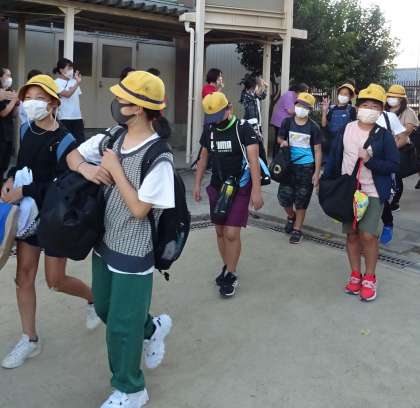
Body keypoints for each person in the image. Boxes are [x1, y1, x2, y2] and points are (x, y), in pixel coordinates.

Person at [67, 71, 174, 408]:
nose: (116, 102)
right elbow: (73, 155)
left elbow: (140, 209)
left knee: (120, 326)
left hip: (134, 248)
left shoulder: (159, 156)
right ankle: (152, 328)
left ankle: (131, 388)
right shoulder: (113, 136)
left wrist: (114, 169)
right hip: (104, 240)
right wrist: (86, 168)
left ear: (138, 108)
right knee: (104, 308)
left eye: (122, 99)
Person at [0, 74, 100, 370]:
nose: (31, 104)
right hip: (28, 217)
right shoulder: (27, 129)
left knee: (55, 280)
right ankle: (29, 339)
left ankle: (93, 299)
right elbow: (22, 165)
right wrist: (9, 179)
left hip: (55, 217)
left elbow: (65, 186)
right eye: (28, 98)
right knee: (24, 276)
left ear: (54, 104)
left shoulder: (66, 141)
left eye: (39, 99)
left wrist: (26, 190)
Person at [324, 84, 399, 302]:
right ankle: (355, 274)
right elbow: (335, 156)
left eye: (374, 106)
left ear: (381, 110)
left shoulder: (384, 135)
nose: (369, 109)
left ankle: (370, 277)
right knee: (352, 234)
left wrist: (370, 160)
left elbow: (394, 165)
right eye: (365, 105)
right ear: (357, 107)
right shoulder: (346, 129)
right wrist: (326, 179)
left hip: (372, 191)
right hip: (348, 190)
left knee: (368, 235)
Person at [193, 92, 264, 298]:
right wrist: (197, 184)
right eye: (212, 117)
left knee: (231, 233)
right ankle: (227, 266)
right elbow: (203, 158)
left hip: (240, 187)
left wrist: (256, 191)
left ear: (229, 109)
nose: (216, 121)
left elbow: (253, 161)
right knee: (220, 231)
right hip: (217, 186)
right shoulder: (210, 130)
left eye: (218, 115)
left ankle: (231, 274)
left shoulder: (243, 128)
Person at [277, 92, 322, 244]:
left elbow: (317, 150)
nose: (301, 108)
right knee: (284, 197)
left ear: (310, 110)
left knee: (301, 200)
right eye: (299, 104)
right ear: (295, 105)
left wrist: (316, 173)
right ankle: (291, 216)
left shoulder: (314, 127)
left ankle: (297, 229)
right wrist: (282, 142)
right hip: (288, 166)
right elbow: (279, 138)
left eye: (306, 107)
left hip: (306, 168)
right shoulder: (287, 122)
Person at [383, 84, 419, 211]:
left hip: (400, 148)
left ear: (401, 99)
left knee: (396, 175)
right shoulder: (384, 111)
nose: (391, 98)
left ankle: (395, 202)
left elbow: (408, 130)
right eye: (390, 96)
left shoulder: (408, 112)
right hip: (384, 147)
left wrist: (395, 133)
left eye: (395, 96)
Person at [270, 82, 309, 158]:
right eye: (305, 92)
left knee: (284, 141)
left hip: (284, 121)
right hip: (280, 121)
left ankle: (281, 158)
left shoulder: (296, 97)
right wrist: (302, 110)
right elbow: (290, 111)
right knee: (279, 142)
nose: (306, 94)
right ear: (299, 91)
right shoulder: (289, 95)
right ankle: (276, 160)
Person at [53, 58, 85, 145]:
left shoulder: (74, 82)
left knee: (80, 143)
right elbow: (67, 94)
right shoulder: (56, 83)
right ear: (61, 70)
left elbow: (77, 100)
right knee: (66, 143)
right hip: (64, 117)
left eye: (72, 68)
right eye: (69, 68)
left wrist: (81, 116)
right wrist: (77, 83)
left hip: (77, 117)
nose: (71, 70)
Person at [321, 82, 357, 158]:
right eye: (341, 93)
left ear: (350, 97)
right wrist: (324, 111)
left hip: (344, 144)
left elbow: (354, 127)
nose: (342, 95)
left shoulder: (352, 110)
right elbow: (324, 125)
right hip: (331, 142)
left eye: (345, 94)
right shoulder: (332, 109)